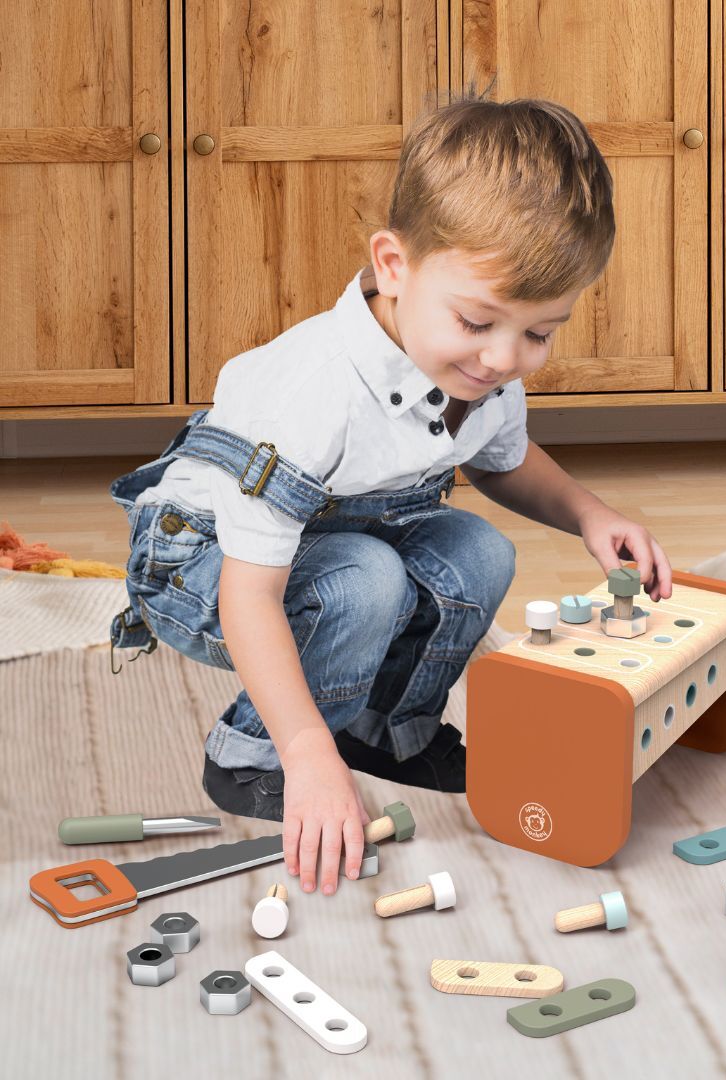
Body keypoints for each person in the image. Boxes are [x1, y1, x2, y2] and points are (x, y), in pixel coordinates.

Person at [107, 89, 673, 897]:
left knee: (477, 548)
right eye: (478, 322)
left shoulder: (483, 364)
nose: (505, 359)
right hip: (198, 566)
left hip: (335, 544)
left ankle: (387, 732)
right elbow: (249, 594)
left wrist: (591, 513)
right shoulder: (315, 392)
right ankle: (253, 755)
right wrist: (307, 755)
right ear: (393, 266)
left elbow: (501, 463)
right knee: (365, 582)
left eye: (540, 332)